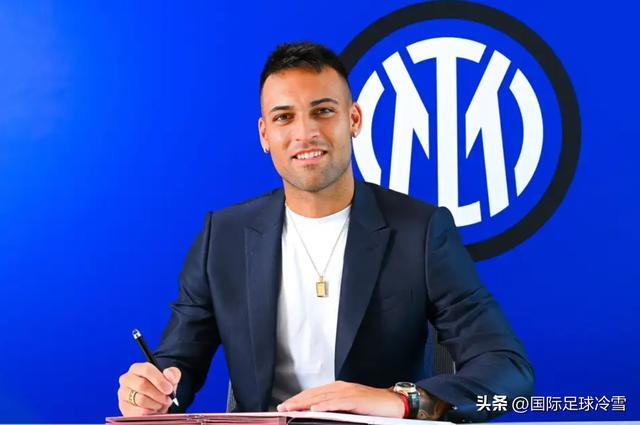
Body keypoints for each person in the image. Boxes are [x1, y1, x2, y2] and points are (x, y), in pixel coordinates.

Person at [116, 42, 534, 422]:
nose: (305, 133)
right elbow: (175, 368)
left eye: (323, 111)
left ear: (354, 119)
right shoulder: (222, 236)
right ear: (265, 135)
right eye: (284, 117)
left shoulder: (420, 231)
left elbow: (508, 370)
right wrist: (148, 392)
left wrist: (401, 400)